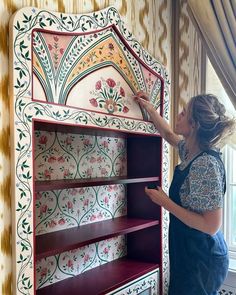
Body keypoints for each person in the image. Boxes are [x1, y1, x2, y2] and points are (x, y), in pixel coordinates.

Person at [133, 92, 235, 295]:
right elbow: (170, 135)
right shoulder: (190, 151)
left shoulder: (206, 164)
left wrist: (165, 202)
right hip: (189, 250)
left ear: (194, 125)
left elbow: (211, 226)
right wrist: (150, 109)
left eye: (184, 112)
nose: (178, 115)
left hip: (203, 257)